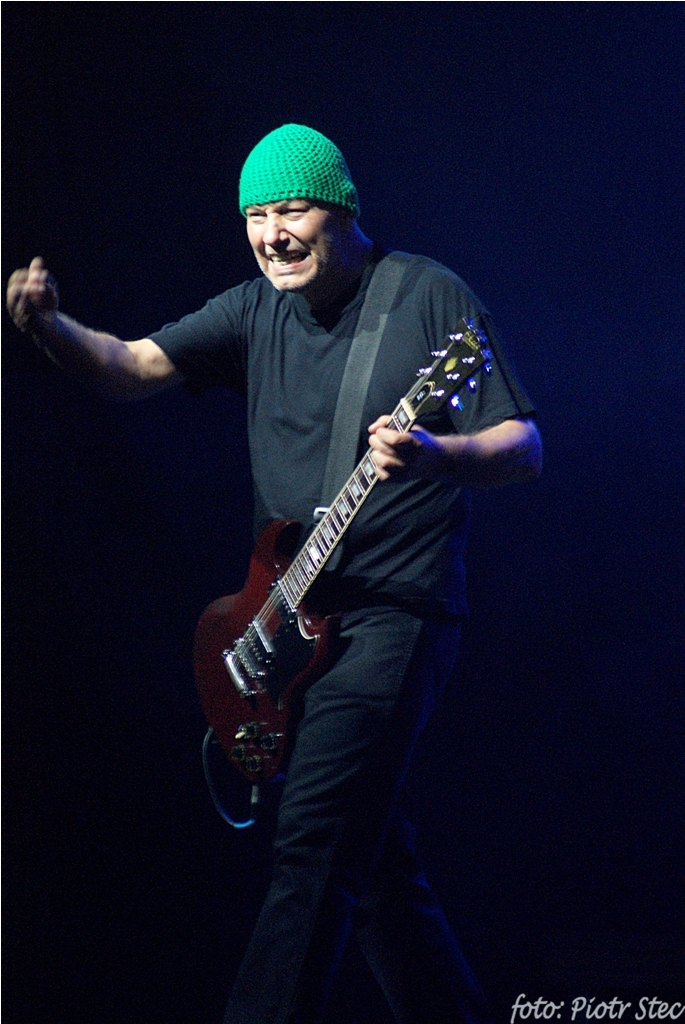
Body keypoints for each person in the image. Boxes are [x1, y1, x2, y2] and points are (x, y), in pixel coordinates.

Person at [7, 124, 542, 1024]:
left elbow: (522, 446)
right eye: (254, 216)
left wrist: (435, 454)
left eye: (290, 210)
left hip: (391, 616)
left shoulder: (425, 294)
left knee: (313, 847)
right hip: (289, 628)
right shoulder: (253, 309)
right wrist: (47, 327)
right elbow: (131, 367)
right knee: (376, 877)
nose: (271, 235)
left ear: (341, 209)